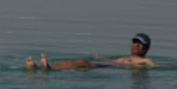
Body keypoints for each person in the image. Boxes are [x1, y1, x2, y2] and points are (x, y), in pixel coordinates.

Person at [26, 33, 158, 71]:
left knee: (81, 63)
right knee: (73, 62)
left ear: (146, 48)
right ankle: (40, 68)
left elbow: (157, 67)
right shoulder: (125, 57)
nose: (136, 45)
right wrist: (99, 58)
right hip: (107, 66)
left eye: (140, 43)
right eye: (135, 42)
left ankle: (49, 69)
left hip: (110, 70)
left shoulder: (145, 60)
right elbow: (111, 62)